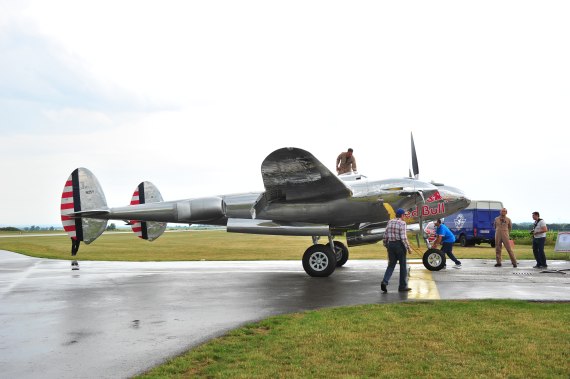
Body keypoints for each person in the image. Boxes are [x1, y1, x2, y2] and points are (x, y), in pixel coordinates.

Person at [381, 208, 412, 293]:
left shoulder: (390, 222)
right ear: (402, 215)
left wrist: (386, 245)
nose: (405, 216)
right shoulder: (402, 223)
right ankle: (402, 286)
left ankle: (385, 281)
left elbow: (385, 235)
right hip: (399, 246)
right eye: (404, 215)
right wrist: (409, 248)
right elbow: (403, 237)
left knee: (391, 265)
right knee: (403, 266)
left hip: (391, 245)